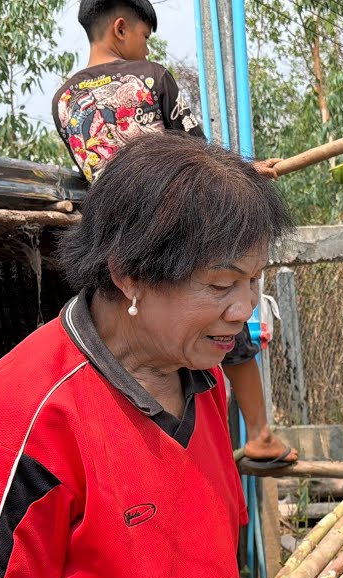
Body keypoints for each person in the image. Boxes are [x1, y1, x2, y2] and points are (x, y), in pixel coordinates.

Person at [0, 135, 307, 578]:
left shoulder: (205, 382)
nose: (244, 308)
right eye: (221, 284)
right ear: (129, 276)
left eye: (254, 281)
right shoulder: (25, 420)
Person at [52, 0, 297, 470]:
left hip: (118, 238)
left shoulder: (63, 100)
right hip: (180, 227)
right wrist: (243, 173)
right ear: (121, 28)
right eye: (145, 34)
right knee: (230, 329)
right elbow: (198, 158)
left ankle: (147, 452)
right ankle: (261, 435)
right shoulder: (150, 77)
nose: (146, 45)